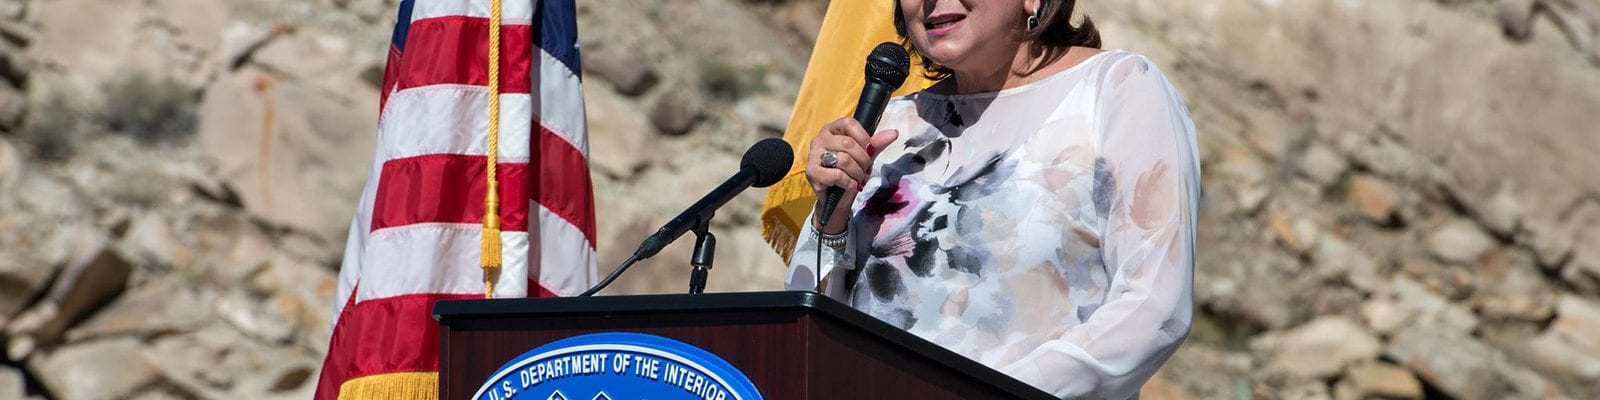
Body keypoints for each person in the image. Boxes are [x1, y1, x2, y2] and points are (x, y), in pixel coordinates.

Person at [783, 0, 1200, 398]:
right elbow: (809, 324)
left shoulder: (1116, 89)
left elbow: (1154, 307)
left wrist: (981, 394)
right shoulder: (890, 122)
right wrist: (831, 215)